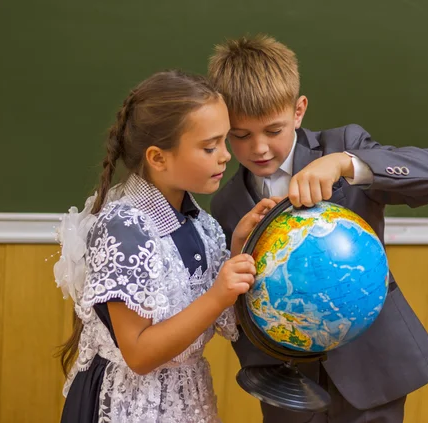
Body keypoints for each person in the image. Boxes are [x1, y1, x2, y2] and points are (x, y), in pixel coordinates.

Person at [208, 35, 428, 422]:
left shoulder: (342, 146)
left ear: (298, 110)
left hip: (371, 374)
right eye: (240, 135)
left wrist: (348, 164)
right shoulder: (225, 204)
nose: (259, 148)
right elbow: (238, 301)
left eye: (273, 130)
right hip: (289, 390)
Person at [53, 70, 276, 423]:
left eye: (224, 142)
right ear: (158, 158)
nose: (225, 156)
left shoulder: (201, 223)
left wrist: (237, 248)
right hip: (130, 405)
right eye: (209, 147)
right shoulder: (124, 229)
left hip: (183, 400)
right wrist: (218, 293)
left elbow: (216, 316)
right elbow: (139, 354)